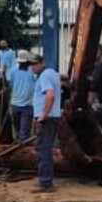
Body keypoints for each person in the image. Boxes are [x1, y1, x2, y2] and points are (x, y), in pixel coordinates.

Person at [30, 52, 61, 192]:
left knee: (43, 149)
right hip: (52, 116)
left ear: (41, 63)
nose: (32, 68)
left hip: (47, 118)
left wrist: (44, 115)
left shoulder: (45, 76)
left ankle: (46, 182)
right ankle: (46, 180)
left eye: (34, 64)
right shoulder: (52, 73)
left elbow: (50, 95)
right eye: (31, 65)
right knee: (45, 148)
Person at [7, 49, 37, 142]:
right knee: (17, 130)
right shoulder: (13, 71)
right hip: (15, 104)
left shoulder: (32, 71)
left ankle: (23, 147)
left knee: (24, 133)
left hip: (28, 105)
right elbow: (9, 85)